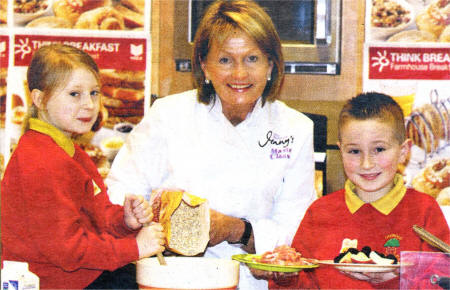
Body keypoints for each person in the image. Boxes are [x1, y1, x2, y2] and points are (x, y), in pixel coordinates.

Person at [105, 0, 316, 289]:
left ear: (271, 64)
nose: (239, 74)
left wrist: (235, 229)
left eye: (252, 59)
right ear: (204, 65)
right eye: (225, 60)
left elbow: (298, 231)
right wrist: (150, 217)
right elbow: (118, 195)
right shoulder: (168, 115)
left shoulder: (296, 129)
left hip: (250, 284)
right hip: (170, 280)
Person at [1, 44, 166, 289]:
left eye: (94, 92)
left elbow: (97, 216)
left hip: (80, 276)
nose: (89, 104)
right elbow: (67, 250)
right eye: (74, 94)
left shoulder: (69, 151)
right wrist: (134, 247)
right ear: (39, 98)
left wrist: (125, 221)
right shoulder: (41, 162)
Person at [267, 92, 450, 289]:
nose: (366, 164)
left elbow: (441, 282)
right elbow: (301, 282)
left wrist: (395, 281)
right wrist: (284, 276)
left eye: (379, 149)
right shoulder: (320, 212)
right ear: (341, 151)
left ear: (404, 152)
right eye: (354, 151)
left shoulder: (424, 210)